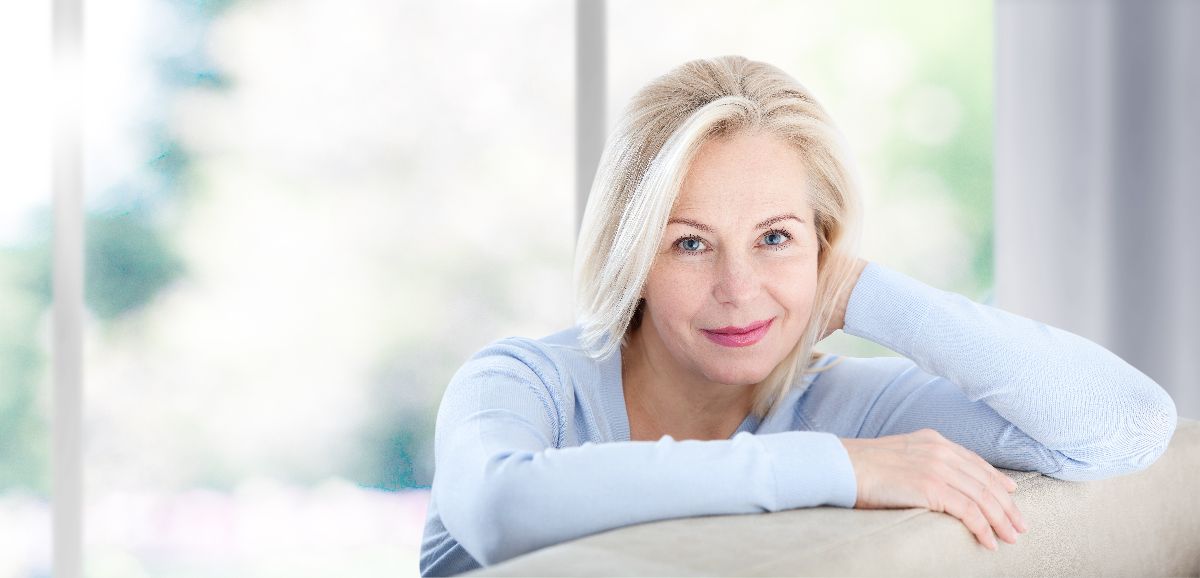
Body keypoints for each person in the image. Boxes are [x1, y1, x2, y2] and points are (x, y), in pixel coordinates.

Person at [417, 55, 1178, 577]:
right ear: (633, 259)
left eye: (776, 238)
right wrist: (841, 467)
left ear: (822, 240)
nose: (738, 287)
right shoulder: (523, 383)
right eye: (689, 244)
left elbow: (1128, 426)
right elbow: (500, 508)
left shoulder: (854, 404)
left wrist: (861, 291)